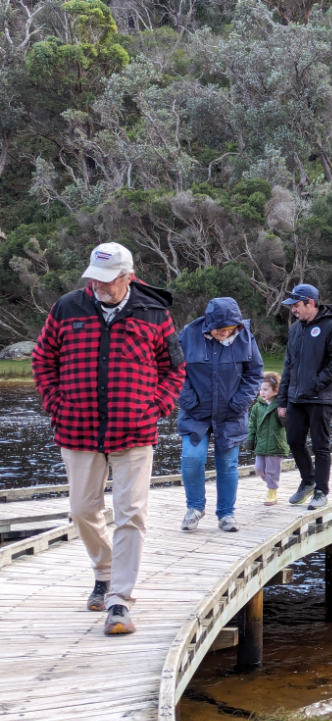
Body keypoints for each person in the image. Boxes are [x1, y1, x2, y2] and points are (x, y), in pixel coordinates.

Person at [32, 242, 186, 636]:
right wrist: (55, 403)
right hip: (77, 429)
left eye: (106, 280)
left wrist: (157, 407)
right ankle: (104, 572)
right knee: (83, 511)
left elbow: (175, 368)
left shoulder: (153, 313)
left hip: (134, 431)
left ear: (127, 277)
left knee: (131, 514)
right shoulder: (67, 308)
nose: (98, 286)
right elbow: (42, 358)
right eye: (94, 279)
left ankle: (119, 601)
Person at [177, 297, 263, 533]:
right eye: (219, 329)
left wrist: (241, 402)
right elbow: (173, 371)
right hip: (196, 412)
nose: (225, 334)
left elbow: (255, 373)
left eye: (229, 330)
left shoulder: (245, 337)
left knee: (227, 464)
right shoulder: (188, 335)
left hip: (231, 412)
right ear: (208, 324)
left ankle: (226, 514)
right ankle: (194, 508)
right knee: (192, 458)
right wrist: (188, 400)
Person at [277, 283, 332, 510]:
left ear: (310, 302)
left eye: (296, 305)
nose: (293, 310)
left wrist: (317, 384)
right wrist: (282, 400)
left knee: (320, 444)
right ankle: (307, 481)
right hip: (296, 397)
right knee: (294, 441)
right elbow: (288, 365)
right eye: (292, 307)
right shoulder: (295, 329)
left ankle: (321, 491)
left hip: (321, 396)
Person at [246, 372, 289, 506]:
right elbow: (252, 425)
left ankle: (272, 492)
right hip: (261, 444)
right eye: (260, 389)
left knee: (272, 470)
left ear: (275, 391)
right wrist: (250, 440)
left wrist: (283, 416)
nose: (262, 392)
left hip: (276, 444)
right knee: (259, 468)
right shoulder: (257, 407)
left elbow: (287, 425)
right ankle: (271, 483)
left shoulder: (280, 406)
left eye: (265, 389)